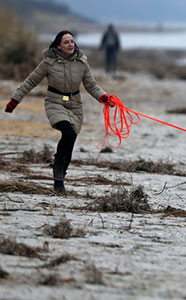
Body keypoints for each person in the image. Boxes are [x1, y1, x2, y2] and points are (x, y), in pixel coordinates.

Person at [4, 30, 114, 194]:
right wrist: (14, 100)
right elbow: (30, 81)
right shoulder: (48, 63)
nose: (70, 44)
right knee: (68, 133)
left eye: (72, 41)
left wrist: (104, 98)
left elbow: (91, 85)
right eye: (66, 42)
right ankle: (57, 170)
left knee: (70, 142)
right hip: (55, 102)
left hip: (75, 105)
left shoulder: (82, 62)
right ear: (58, 46)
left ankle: (59, 179)